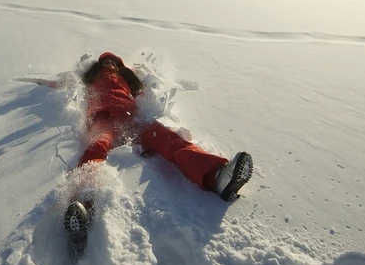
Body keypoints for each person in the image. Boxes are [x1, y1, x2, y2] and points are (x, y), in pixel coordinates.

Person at [29, 52, 254, 244]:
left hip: (132, 119)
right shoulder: (90, 78)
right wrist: (38, 83)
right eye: (105, 61)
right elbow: (65, 84)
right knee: (96, 149)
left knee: (168, 139)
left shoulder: (127, 77)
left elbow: (149, 89)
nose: (109, 64)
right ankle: (84, 203)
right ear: (98, 65)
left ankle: (216, 175)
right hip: (103, 121)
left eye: (113, 61)